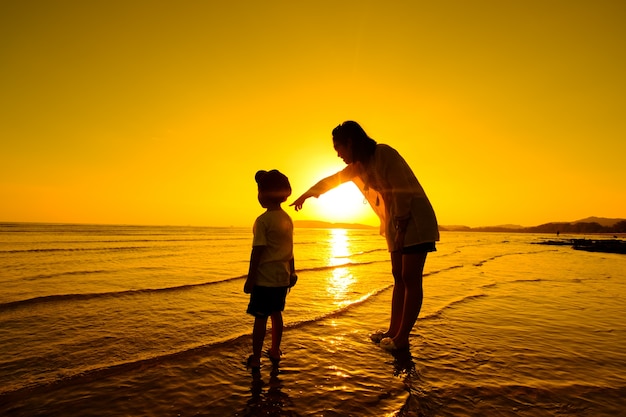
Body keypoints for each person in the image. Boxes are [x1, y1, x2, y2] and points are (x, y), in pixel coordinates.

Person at [290, 121, 439, 351]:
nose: (338, 154)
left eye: (339, 148)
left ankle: (402, 338)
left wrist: (400, 228)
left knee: (410, 278)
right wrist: (306, 195)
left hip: (414, 220)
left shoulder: (384, 154)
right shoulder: (360, 166)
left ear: (350, 142)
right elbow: (331, 181)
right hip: (395, 223)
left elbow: (402, 192)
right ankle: (393, 331)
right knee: (398, 277)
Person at [244, 169, 297, 372]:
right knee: (276, 314)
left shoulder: (263, 221)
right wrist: (292, 272)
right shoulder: (287, 219)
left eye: (259, 190)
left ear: (265, 194)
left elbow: (257, 252)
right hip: (281, 279)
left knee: (260, 317)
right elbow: (290, 250)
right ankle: (275, 350)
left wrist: (250, 279)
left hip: (264, 280)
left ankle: (256, 358)